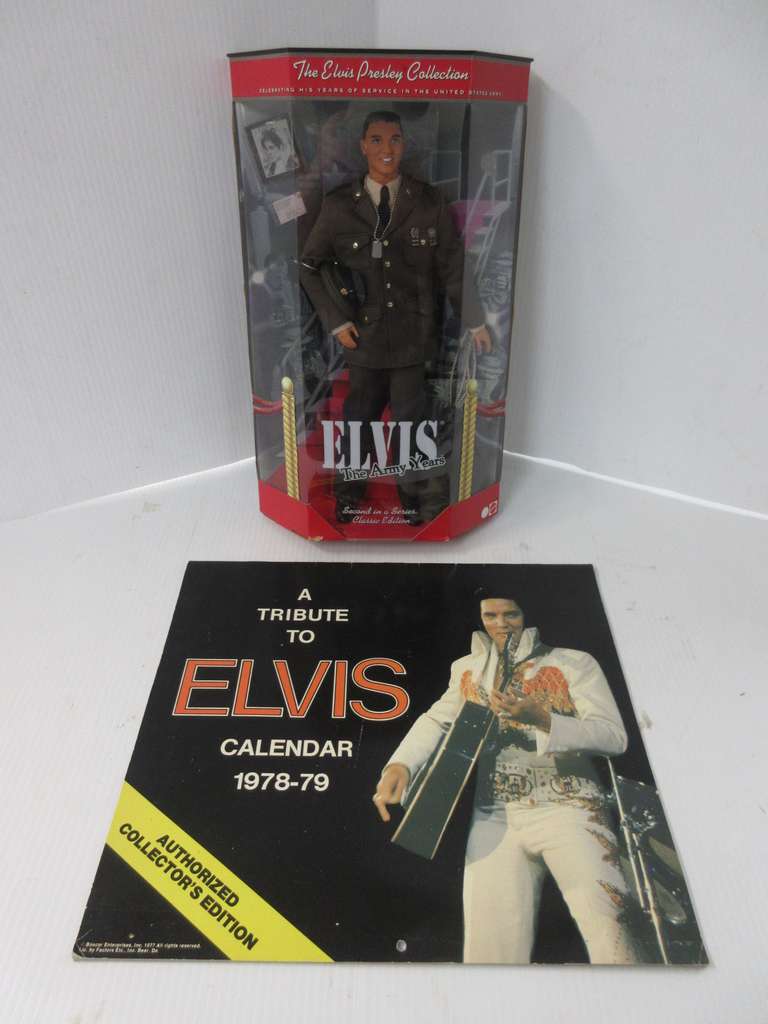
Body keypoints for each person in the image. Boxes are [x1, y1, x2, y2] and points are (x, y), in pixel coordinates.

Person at [373, 594, 638, 964]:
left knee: (609, 929)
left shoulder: (573, 662)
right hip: (494, 814)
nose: (500, 624)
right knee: (488, 949)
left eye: (510, 614)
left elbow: (613, 736)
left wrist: (542, 719)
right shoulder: (468, 668)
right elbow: (436, 719)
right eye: (490, 615)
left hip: (569, 806)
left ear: (528, 613)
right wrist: (400, 766)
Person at [299, 111, 492, 525]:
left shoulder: (428, 202)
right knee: (359, 420)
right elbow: (309, 266)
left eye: (395, 139)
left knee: (412, 422)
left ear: (404, 145)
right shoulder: (339, 206)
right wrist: (336, 321)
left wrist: (475, 321)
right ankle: (349, 493)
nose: (386, 149)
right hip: (362, 339)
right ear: (363, 146)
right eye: (376, 140)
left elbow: (453, 267)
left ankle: (414, 496)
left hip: (413, 338)